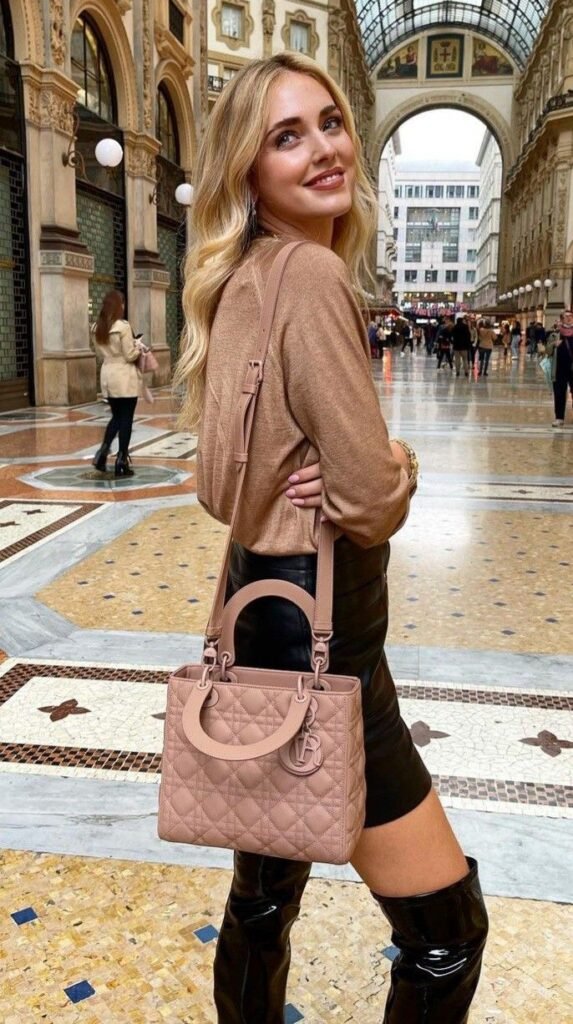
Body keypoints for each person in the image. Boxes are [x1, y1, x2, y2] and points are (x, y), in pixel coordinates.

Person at [175, 52, 488, 1024]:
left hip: (256, 609)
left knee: (263, 898)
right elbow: (368, 499)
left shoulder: (241, 279)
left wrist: (298, 470)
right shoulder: (310, 276)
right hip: (328, 638)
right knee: (446, 934)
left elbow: (216, 486)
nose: (321, 149)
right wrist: (399, 462)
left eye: (329, 122)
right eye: (285, 136)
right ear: (249, 172)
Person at [92, 290, 143, 477]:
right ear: (118, 305)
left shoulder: (98, 327)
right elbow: (130, 355)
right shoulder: (123, 326)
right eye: (122, 303)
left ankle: (102, 453)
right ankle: (122, 459)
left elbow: (100, 354)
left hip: (107, 374)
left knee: (116, 417)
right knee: (126, 418)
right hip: (124, 376)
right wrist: (139, 347)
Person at [546, 310, 573, 426]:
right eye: (567, 316)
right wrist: (553, 345)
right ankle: (559, 417)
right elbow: (547, 351)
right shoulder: (555, 333)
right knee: (559, 393)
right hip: (559, 368)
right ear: (562, 319)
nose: (569, 318)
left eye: (571, 316)